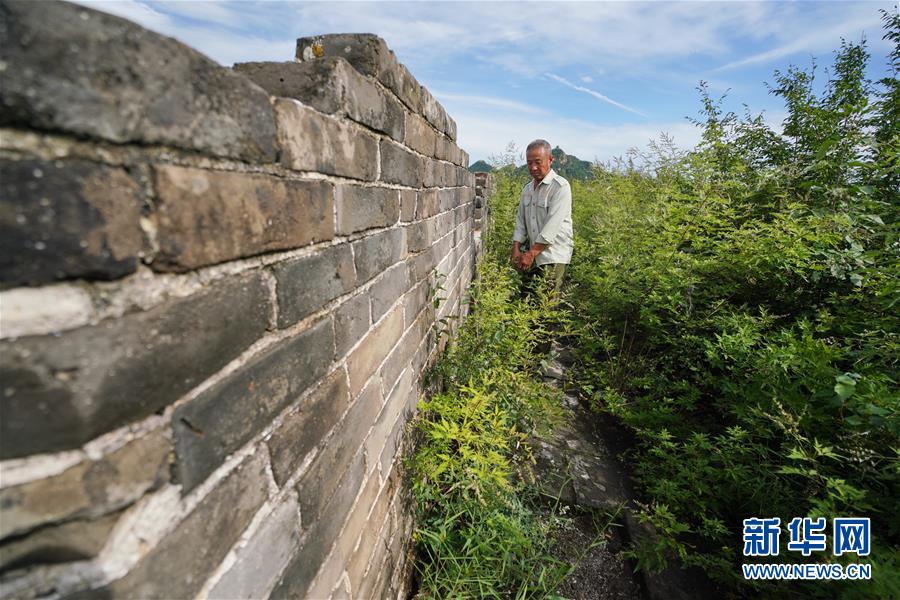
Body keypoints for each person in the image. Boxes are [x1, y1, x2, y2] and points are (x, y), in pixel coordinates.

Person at [511, 139, 573, 298]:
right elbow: (521, 221)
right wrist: (516, 248)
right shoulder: (527, 189)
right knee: (527, 301)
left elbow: (551, 227)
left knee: (546, 304)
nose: (533, 168)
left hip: (552, 256)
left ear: (551, 160)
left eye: (538, 162)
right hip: (531, 255)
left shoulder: (560, 187)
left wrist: (531, 254)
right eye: (529, 163)